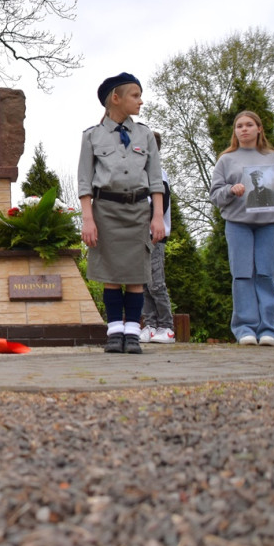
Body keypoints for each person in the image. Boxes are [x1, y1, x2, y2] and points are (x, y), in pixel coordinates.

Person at [78, 73, 165, 354]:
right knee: (112, 273)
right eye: (135, 95)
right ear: (115, 98)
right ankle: (115, 329)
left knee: (137, 275)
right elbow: (84, 182)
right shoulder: (91, 136)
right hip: (106, 211)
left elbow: (155, 180)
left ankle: (132, 332)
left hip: (138, 210)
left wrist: (158, 216)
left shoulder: (145, 135)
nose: (141, 101)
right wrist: (88, 220)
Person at [210, 110, 274, 346]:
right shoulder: (226, 159)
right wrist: (230, 190)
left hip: (268, 223)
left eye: (248, 125)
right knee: (242, 274)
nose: (243, 129)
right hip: (238, 223)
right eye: (239, 126)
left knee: (266, 274)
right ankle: (245, 328)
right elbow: (215, 195)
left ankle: (268, 329)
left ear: (259, 129)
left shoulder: (273, 159)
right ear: (235, 132)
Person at [140, 131, 175, 344]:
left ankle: (167, 326)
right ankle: (150, 325)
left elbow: (160, 204)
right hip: (137, 237)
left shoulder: (158, 174)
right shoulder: (136, 174)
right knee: (143, 283)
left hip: (154, 237)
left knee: (156, 283)